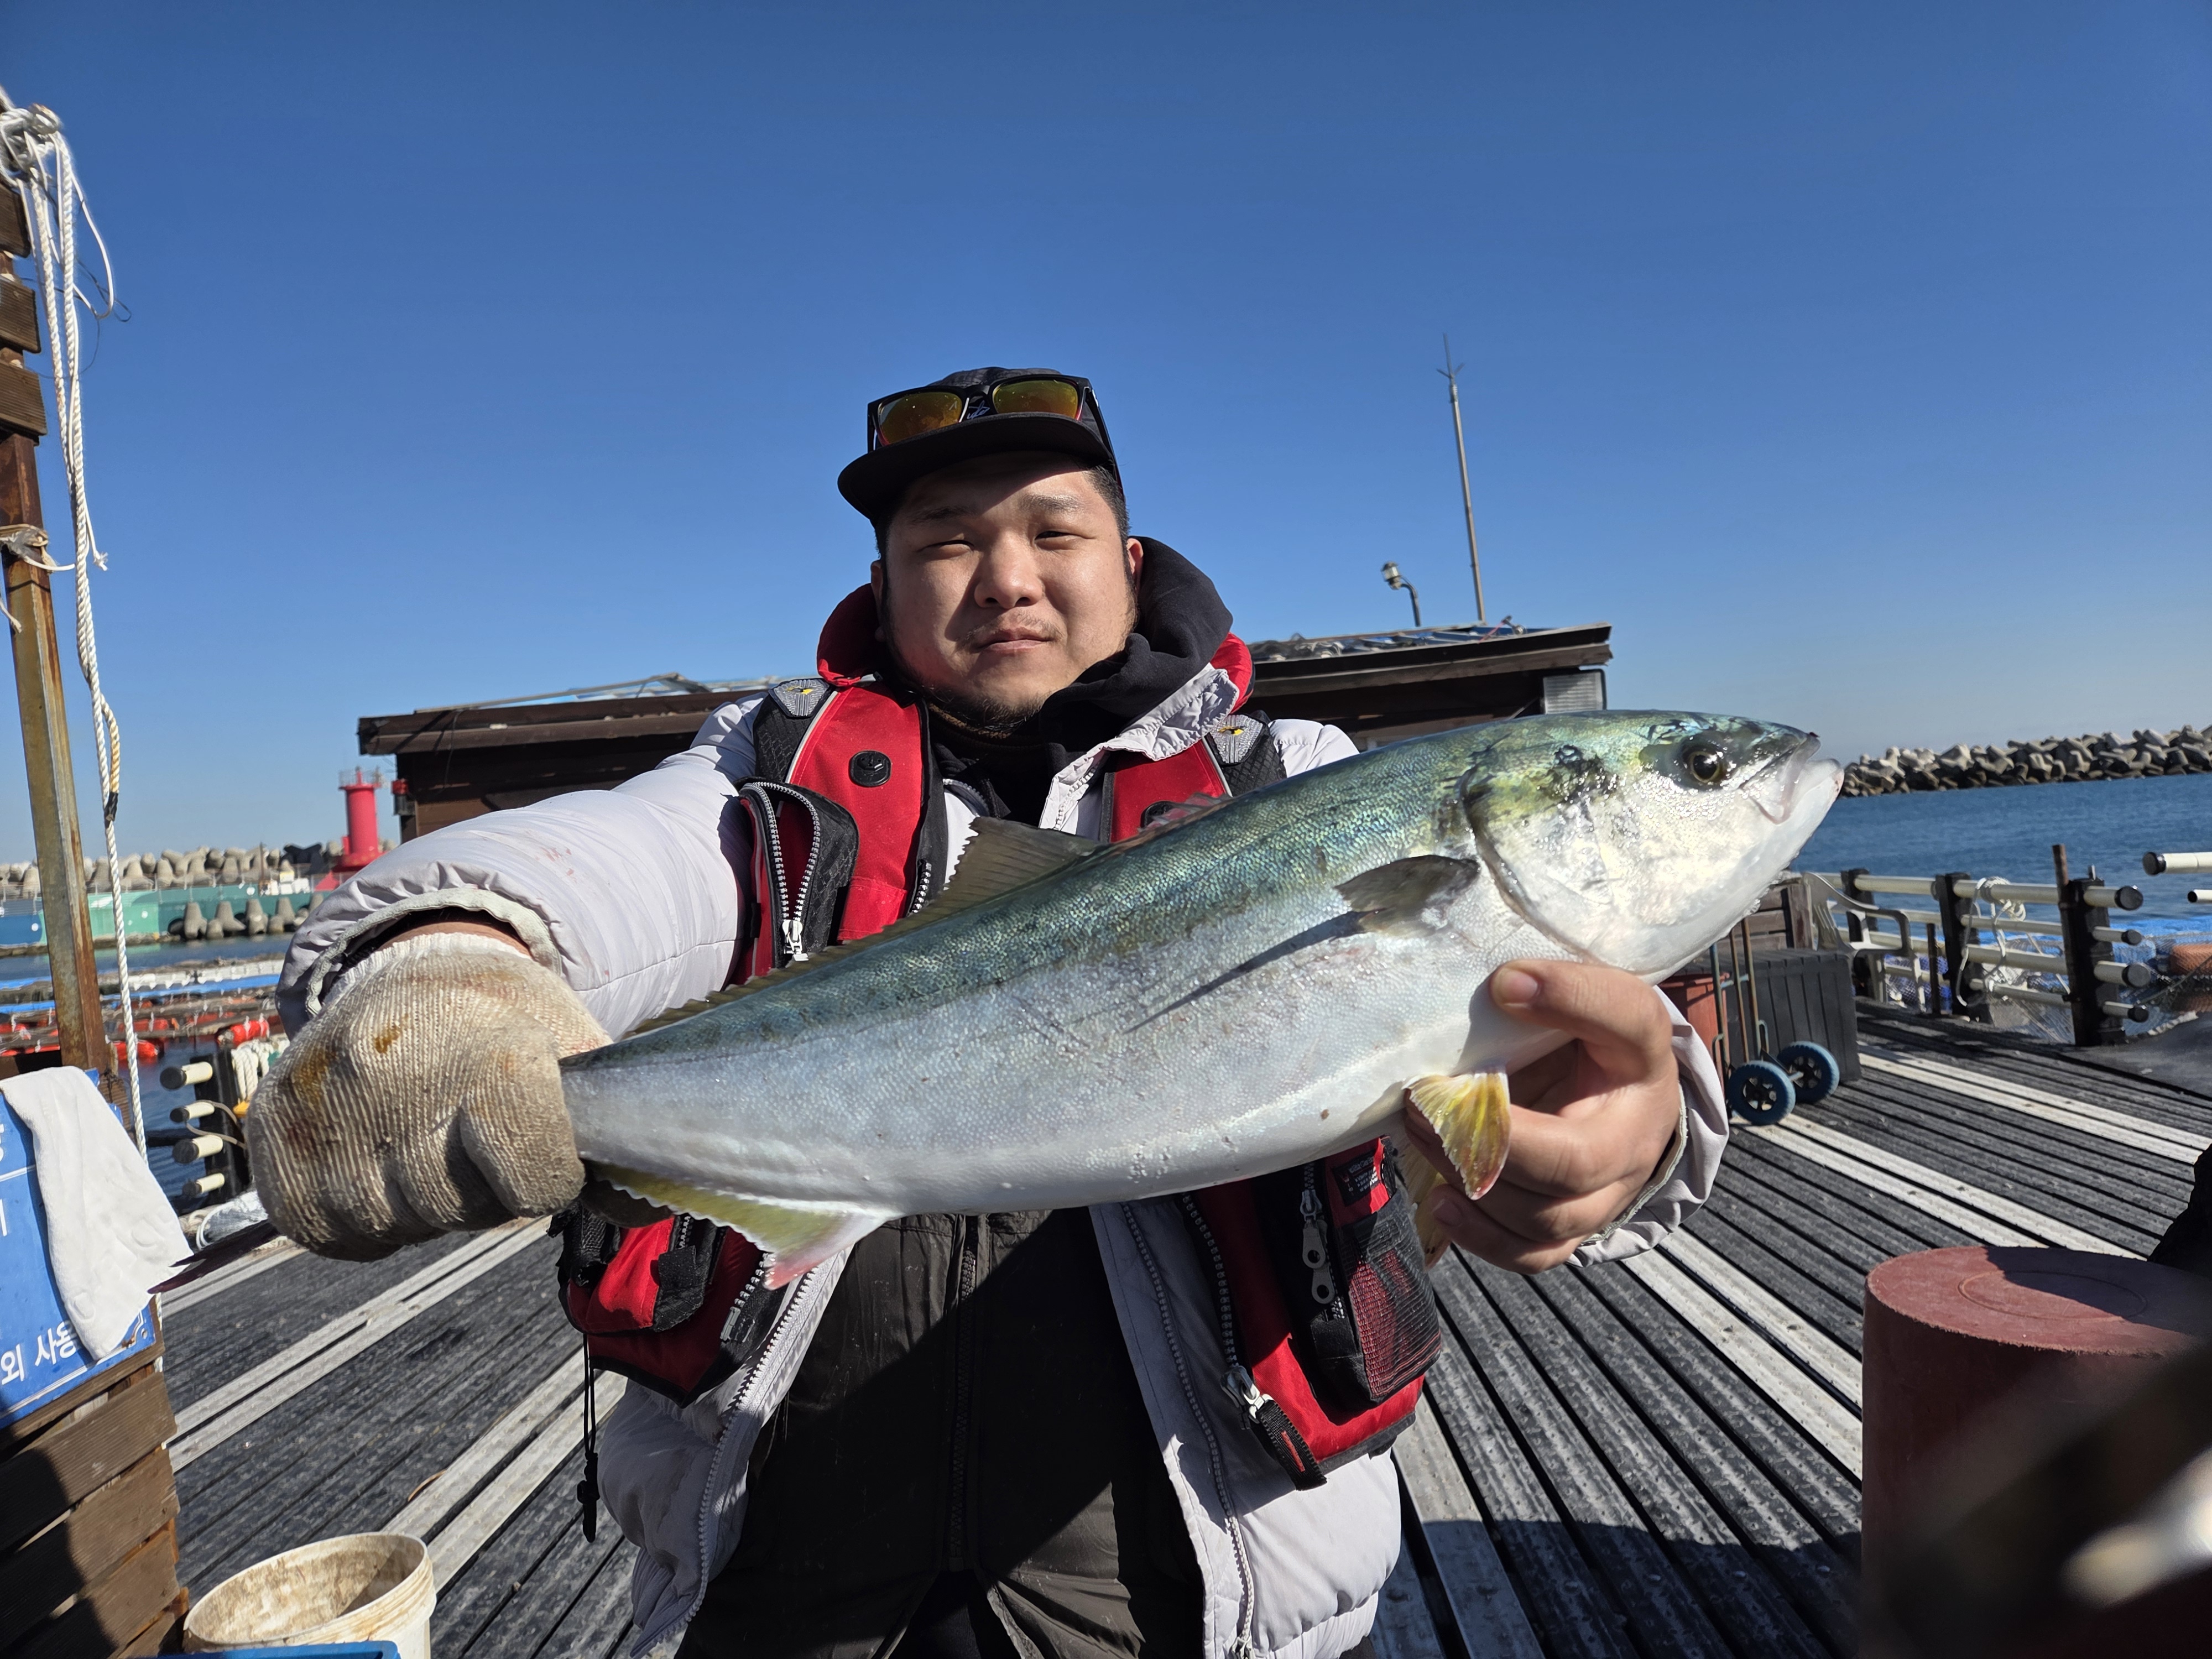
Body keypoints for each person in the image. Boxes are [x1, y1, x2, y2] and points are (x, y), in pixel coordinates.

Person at [253, 367, 1729, 1659]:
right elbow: (599, 866)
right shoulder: (767, 779)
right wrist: (443, 956)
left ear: (1131, 563)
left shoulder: (1298, 778)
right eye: (947, 540)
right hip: (776, 1555)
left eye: (1052, 532)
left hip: (1192, 1578)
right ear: (884, 583)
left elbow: (1609, 1055)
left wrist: (1643, 1123)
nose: (1005, 577)